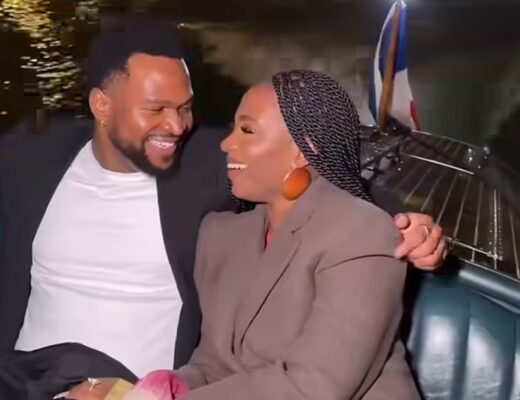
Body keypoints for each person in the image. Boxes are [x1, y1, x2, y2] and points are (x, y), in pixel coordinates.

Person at [0, 23, 444, 385]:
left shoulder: (206, 163)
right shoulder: (31, 158)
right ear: (102, 105)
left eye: (185, 107)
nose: (177, 125)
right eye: (155, 109)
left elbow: (325, 172)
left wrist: (407, 224)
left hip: (137, 387)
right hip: (22, 378)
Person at [117, 70, 421, 400]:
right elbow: (216, 366)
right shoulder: (221, 235)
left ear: (301, 151)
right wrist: (174, 385)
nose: (226, 143)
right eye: (234, 128)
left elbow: (315, 387)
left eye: (247, 130)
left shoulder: (362, 233)